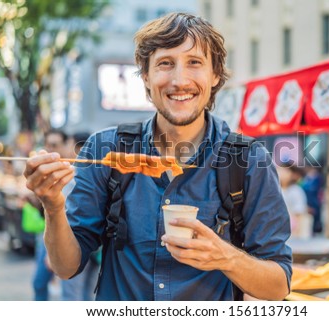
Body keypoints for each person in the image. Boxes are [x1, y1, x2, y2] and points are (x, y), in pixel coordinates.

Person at [24, 12, 292, 301]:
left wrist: (225, 257)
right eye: (165, 63)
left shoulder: (250, 161)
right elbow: (65, 267)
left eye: (194, 63)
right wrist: (52, 206)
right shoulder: (104, 149)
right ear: (146, 76)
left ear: (215, 75)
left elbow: (278, 285)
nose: (179, 80)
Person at [60, 131, 101, 301]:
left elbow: (65, 210)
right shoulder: (99, 170)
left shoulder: (75, 172)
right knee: (87, 295)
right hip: (95, 242)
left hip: (79, 241)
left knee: (73, 296)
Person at [32, 129, 69, 300]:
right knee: (39, 284)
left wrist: (52, 252)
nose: (50, 149)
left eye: (55, 145)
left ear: (65, 146)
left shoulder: (70, 173)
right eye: (47, 145)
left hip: (64, 237)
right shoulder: (45, 172)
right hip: (44, 234)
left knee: (41, 283)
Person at [277, 164, 312, 239]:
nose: (281, 173)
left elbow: (299, 213)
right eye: (280, 171)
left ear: (293, 174)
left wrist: (297, 231)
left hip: (292, 229)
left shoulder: (296, 191)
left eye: (285, 171)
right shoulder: (275, 190)